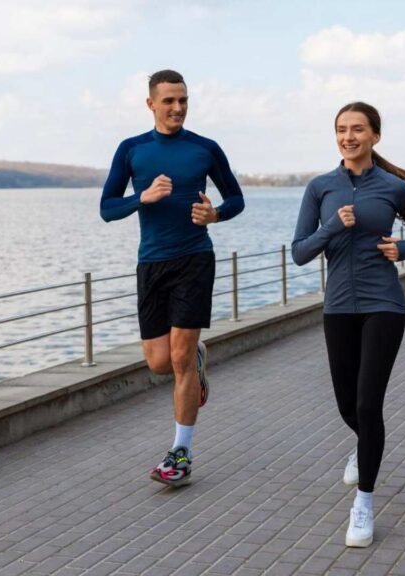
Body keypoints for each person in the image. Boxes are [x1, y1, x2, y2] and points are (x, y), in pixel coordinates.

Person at [292, 102, 405, 546]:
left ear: (375, 136)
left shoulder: (394, 188)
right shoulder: (320, 188)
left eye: (358, 129)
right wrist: (332, 230)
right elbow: (300, 252)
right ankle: (364, 448)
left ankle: (364, 504)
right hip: (338, 306)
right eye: (341, 130)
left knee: (367, 404)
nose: (349, 137)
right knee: (346, 404)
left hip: (384, 305)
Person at [100, 69, 245, 487]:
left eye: (183, 100)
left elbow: (235, 197)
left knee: (178, 359)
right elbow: (107, 208)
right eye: (169, 101)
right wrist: (140, 199)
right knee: (159, 362)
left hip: (194, 259)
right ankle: (196, 360)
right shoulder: (131, 150)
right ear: (151, 104)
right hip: (152, 264)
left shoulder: (205, 148)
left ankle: (180, 454)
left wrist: (216, 213)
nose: (178, 107)